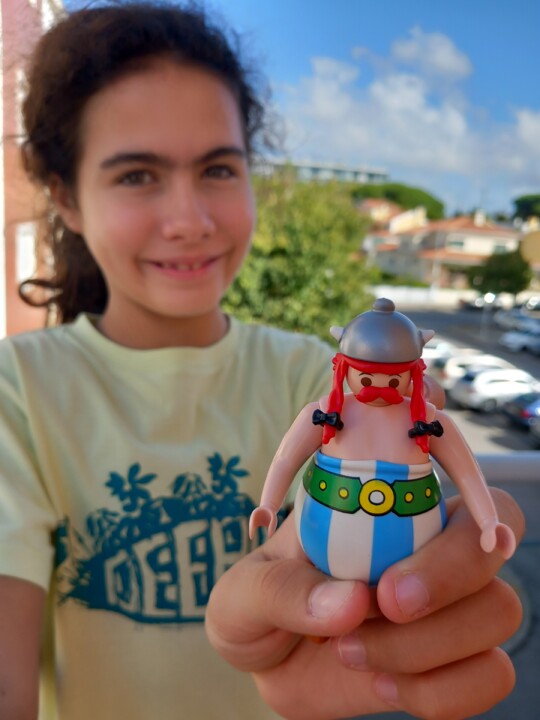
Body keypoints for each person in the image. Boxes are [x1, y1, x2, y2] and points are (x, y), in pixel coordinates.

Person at [0, 3, 523, 720]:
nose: (190, 220)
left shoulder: (314, 380)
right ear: (65, 197)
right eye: (136, 175)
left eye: (218, 168)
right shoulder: (18, 393)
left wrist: (464, 542)